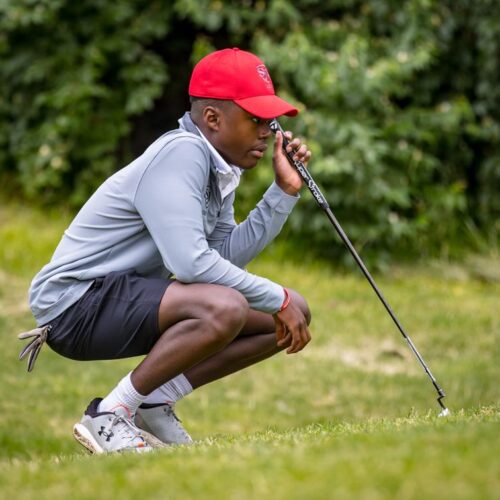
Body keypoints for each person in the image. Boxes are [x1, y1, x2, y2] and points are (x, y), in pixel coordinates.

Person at [19, 47, 312, 454]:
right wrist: (275, 296)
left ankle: (153, 402)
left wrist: (282, 193)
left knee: (288, 310)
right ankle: (110, 414)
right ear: (212, 118)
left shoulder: (218, 168)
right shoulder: (183, 153)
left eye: (270, 120)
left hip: (115, 296)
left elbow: (221, 260)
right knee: (230, 306)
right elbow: (191, 265)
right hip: (74, 305)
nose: (268, 131)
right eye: (256, 118)